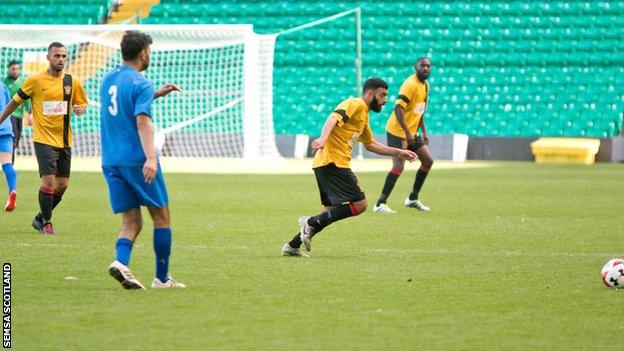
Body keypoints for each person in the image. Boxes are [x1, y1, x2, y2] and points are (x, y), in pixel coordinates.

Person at [282, 78, 417, 257]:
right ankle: (310, 222)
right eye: (382, 95)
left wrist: (400, 152)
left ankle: (292, 245)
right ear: (369, 94)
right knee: (360, 204)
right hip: (334, 163)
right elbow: (333, 118)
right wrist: (323, 138)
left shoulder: (364, 115)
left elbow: (371, 145)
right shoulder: (355, 104)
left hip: (325, 164)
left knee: (329, 212)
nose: (385, 100)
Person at [100, 31, 185, 289]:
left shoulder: (108, 79)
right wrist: (151, 157)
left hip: (110, 161)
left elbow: (124, 106)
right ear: (144, 53)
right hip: (137, 159)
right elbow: (141, 120)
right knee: (162, 216)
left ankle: (121, 262)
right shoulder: (140, 82)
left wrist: (155, 94)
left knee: (131, 221)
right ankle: (162, 278)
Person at [0, 42, 88, 234]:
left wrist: (80, 109)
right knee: (48, 181)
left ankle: (39, 218)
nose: (61, 60)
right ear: (48, 57)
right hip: (43, 139)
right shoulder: (35, 80)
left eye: (64, 56)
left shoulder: (72, 82)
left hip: (65, 140)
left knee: (62, 185)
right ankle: (47, 223)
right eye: (57, 56)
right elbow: (15, 102)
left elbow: (81, 105)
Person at [373, 57, 434, 214]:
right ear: (416, 67)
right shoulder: (410, 84)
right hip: (397, 131)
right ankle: (380, 203)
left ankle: (413, 198)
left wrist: (424, 131)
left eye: (428, 66)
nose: (426, 68)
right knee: (399, 166)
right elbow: (397, 108)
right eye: (423, 65)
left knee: (428, 161)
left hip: (411, 133)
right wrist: (407, 132)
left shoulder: (425, 86)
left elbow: (419, 110)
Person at [3, 60, 30, 163]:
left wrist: (29, 111)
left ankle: (9, 164)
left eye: (17, 69)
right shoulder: (4, 83)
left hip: (19, 115)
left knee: (16, 141)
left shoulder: (23, 81)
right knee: (12, 140)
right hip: (9, 115)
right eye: (13, 69)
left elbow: (26, 97)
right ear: (9, 70)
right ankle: (9, 165)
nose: (15, 71)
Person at [0, 82, 17, 211]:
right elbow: (9, 105)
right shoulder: (2, 85)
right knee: (7, 163)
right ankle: (12, 190)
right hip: (5, 127)